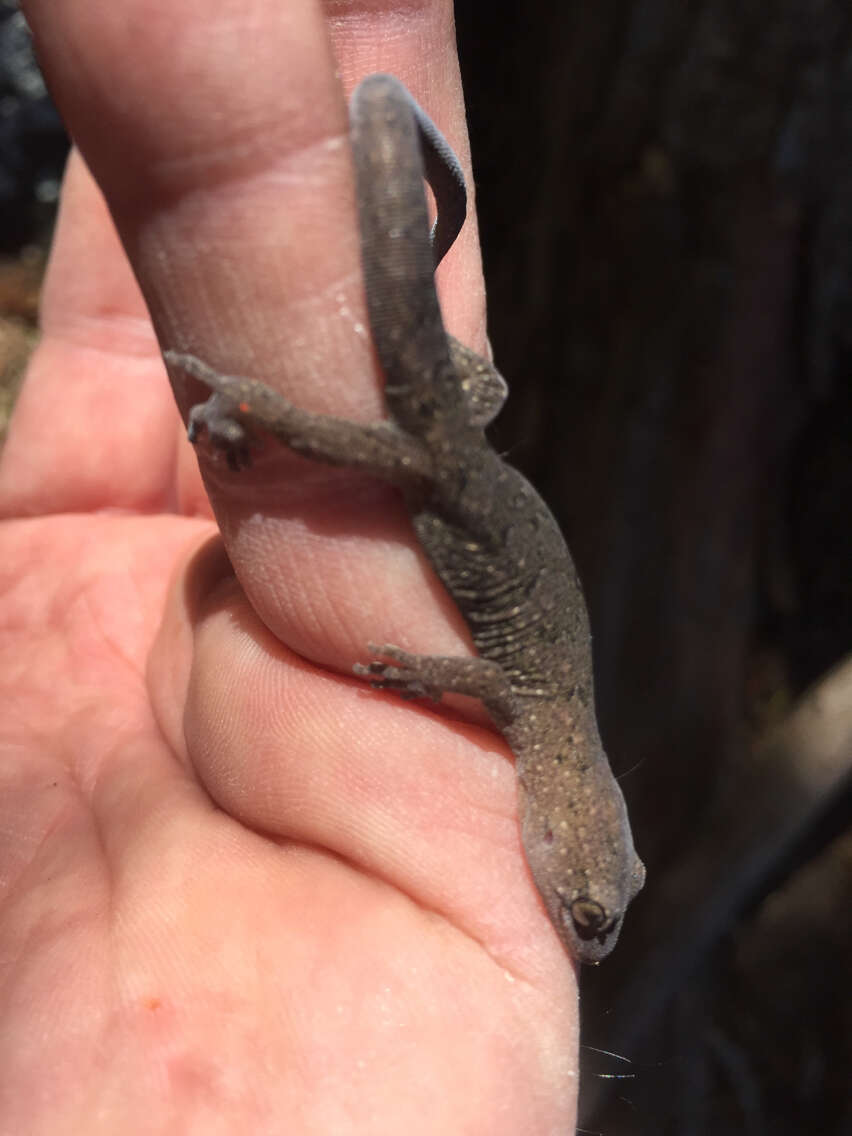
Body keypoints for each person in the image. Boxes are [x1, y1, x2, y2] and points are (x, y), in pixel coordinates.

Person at [0, 1, 578, 1129]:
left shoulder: (553, 735)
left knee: (402, 436)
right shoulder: (542, 720)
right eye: (589, 907)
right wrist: (415, 670)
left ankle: (286, 386)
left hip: (467, 475)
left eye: (586, 915)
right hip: (455, 481)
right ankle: (267, 403)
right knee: (378, 447)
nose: (573, 921)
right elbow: (501, 685)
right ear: (582, 816)